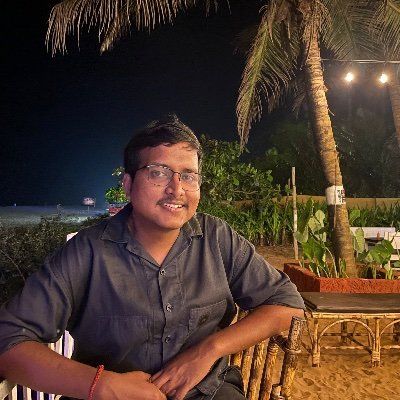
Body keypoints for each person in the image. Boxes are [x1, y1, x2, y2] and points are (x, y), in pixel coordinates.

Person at [0, 115, 304, 400]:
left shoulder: (217, 239)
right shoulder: (87, 252)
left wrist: (208, 350)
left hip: (207, 391)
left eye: (189, 176)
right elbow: (9, 340)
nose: (177, 190)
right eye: (158, 173)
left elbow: (287, 304)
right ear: (128, 184)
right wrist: (104, 385)